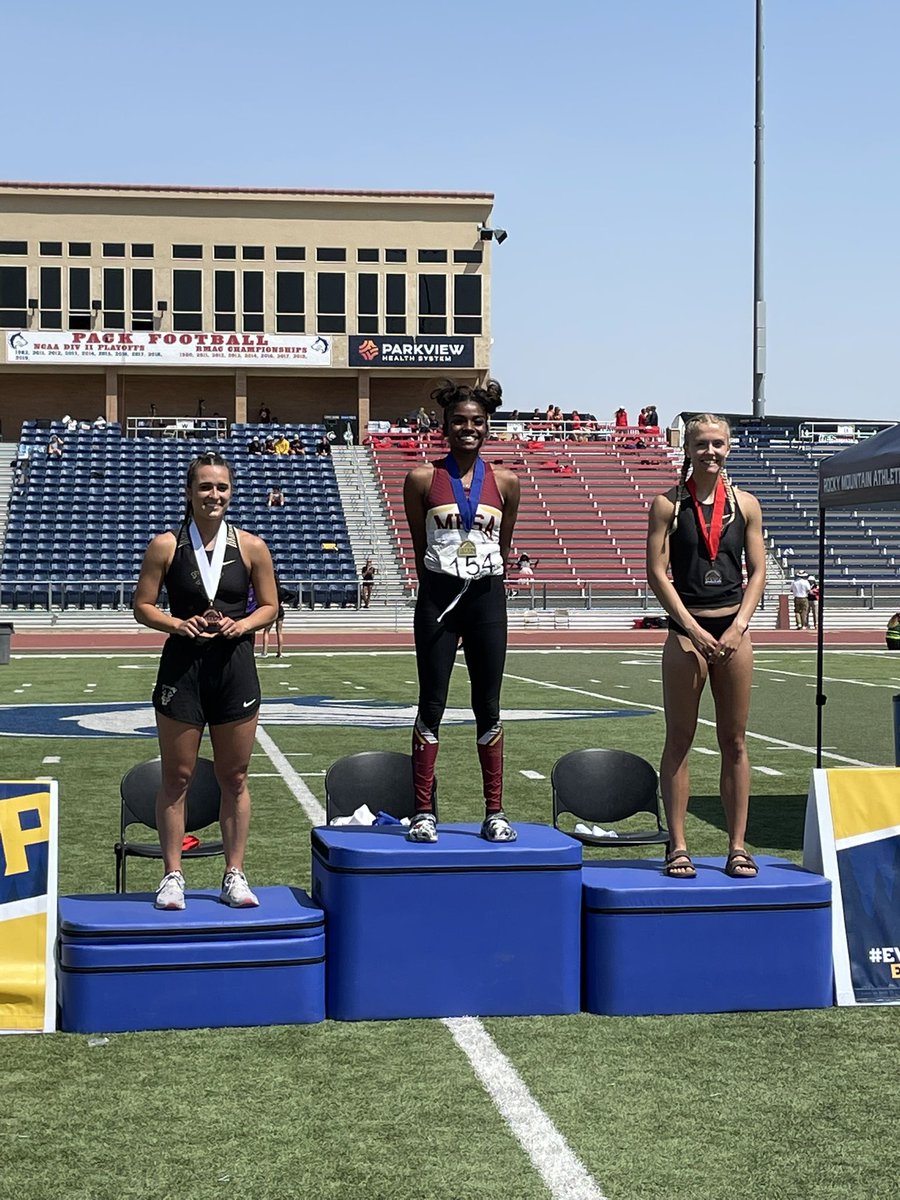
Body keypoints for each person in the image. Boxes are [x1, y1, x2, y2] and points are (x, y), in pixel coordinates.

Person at [133, 452, 278, 911]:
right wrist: (178, 625)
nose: (214, 495)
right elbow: (143, 605)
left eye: (221, 487)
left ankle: (233, 874)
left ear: (231, 492)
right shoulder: (166, 545)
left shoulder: (252, 546)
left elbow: (270, 606)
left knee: (234, 776)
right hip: (184, 669)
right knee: (177, 776)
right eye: (205, 487)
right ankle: (172, 875)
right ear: (189, 492)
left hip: (234, 669)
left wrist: (245, 625)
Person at [646, 413, 766, 880]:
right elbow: (657, 572)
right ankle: (678, 846)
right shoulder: (667, 504)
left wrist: (738, 627)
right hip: (685, 636)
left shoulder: (747, 504)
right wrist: (691, 628)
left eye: (718, 444)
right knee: (679, 739)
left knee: (734, 741)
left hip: (734, 634)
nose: (710, 452)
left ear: (729, 448)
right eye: (702, 445)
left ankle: (737, 846)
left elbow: (757, 572)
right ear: (687, 449)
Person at [403, 379, 520, 844]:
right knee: (432, 702)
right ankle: (423, 812)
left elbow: (503, 545)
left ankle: (494, 811)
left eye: (476, 421)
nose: (467, 428)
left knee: (487, 705)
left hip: (486, 598)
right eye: (459, 421)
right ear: (444, 426)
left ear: (487, 425)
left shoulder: (506, 481)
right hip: (437, 598)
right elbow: (418, 542)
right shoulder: (421, 478)